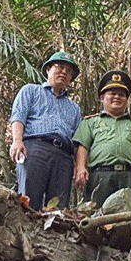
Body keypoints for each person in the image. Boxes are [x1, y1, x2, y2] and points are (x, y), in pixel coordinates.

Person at [73, 69, 131, 206]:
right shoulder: (90, 123)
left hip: (129, 177)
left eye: (121, 95)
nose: (117, 97)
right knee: (98, 218)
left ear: (127, 100)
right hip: (100, 176)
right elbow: (83, 147)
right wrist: (81, 168)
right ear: (102, 98)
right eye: (112, 94)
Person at [9, 51, 82, 211]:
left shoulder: (74, 109)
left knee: (59, 207)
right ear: (48, 69)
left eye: (69, 71)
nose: (64, 72)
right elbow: (18, 116)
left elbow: (78, 140)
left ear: (71, 79)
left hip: (64, 156)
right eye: (60, 67)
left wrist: (79, 166)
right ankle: (26, 234)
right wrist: (17, 141)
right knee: (29, 199)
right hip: (35, 148)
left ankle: (53, 235)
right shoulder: (31, 91)